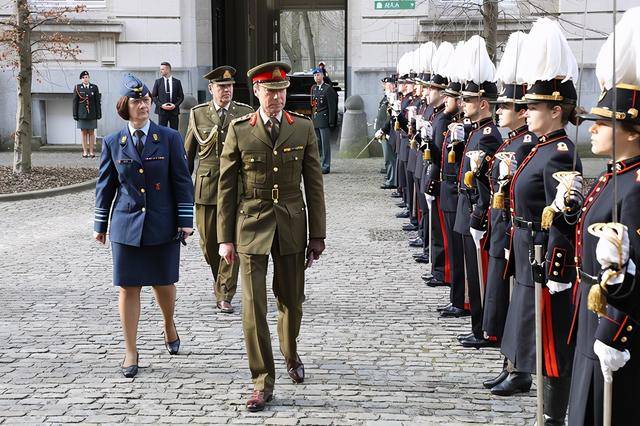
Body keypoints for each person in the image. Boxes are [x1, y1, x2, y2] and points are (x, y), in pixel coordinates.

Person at [216, 61, 327, 412]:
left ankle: (290, 352)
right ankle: (262, 380)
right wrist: (225, 238)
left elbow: (314, 185)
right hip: (251, 226)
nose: (276, 97)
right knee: (253, 308)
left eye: (281, 91)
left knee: (292, 302)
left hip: (292, 226)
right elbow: (226, 187)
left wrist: (318, 235)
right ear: (258, 93)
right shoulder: (240, 130)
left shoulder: (302, 129)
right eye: (269, 91)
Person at [500, 19, 582, 423]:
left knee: (549, 341)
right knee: (530, 331)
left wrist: (556, 265)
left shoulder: (560, 152)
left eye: (533, 106)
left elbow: (565, 216)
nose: (525, 111)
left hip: (546, 257)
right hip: (527, 246)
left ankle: (552, 416)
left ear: (555, 111)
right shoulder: (542, 147)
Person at [93, 74, 194, 378]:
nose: (144, 105)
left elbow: (181, 180)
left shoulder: (169, 138)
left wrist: (186, 220)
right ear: (125, 106)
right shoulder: (113, 142)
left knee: (164, 283)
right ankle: (130, 350)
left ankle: (168, 323)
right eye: (137, 101)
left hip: (162, 223)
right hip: (126, 225)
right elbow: (105, 186)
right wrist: (100, 224)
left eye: (147, 100)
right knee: (128, 287)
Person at [567, 8, 640, 425]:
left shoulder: (635, 187)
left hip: (613, 331)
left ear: (631, 130)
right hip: (591, 316)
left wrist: (616, 333)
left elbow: (632, 273)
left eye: (603, 122)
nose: (592, 129)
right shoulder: (615, 176)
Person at [481, 32, 536, 392]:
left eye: (506, 107)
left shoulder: (532, 144)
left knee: (519, 302)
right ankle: (510, 361)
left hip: (527, 235)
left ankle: (520, 369)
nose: (499, 111)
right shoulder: (513, 141)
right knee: (511, 301)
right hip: (509, 229)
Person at [184, 66, 253, 314]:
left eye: (230, 86)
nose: (227, 90)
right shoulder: (198, 114)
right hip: (207, 187)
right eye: (222, 87)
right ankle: (220, 281)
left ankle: (225, 292)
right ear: (211, 89)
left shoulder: (244, 113)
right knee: (210, 245)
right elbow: (187, 158)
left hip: (237, 188)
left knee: (230, 241)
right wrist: (182, 194)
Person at [454, 36, 502, 349]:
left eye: (468, 101)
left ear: (483, 103)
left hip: (475, 212)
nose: (463, 104)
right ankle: (478, 326)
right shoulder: (475, 131)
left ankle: (483, 329)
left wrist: (478, 214)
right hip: (464, 207)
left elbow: (483, 182)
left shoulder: (488, 135)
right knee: (472, 273)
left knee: (479, 274)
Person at [311, 66, 337, 174]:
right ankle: (320, 163)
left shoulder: (327, 88)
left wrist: (331, 121)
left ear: (322, 76)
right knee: (318, 144)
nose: (317, 77)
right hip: (316, 119)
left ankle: (326, 165)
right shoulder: (314, 88)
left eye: (318, 75)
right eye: (315, 75)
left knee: (325, 144)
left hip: (324, 119)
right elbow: (313, 105)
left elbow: (332, 106)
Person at [73, 70, 101, 158]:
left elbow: (97, 102)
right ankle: (85, 151)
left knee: (92, 132)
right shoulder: (78, 88)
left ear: (89, 78)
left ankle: (92, 151)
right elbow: (75, 102)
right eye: (83, 77)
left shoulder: (94, 87)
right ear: (81, 79)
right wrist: (75, 114)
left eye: (87, 77)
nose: (85, 79)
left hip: (92, 114)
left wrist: (99, 113)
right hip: (82, 114)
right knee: (84, 132)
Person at [151, 62, 184, 130]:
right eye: (160, 69)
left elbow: (181, 97)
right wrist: (161, 105)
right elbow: (153, 96)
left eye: (162, 69)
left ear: (168, 69)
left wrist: (175, 105)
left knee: (174, 131)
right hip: (162, 112)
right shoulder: (158, 82)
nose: (161, 71)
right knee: (161, 131)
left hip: (174, 112)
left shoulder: (177, 82)